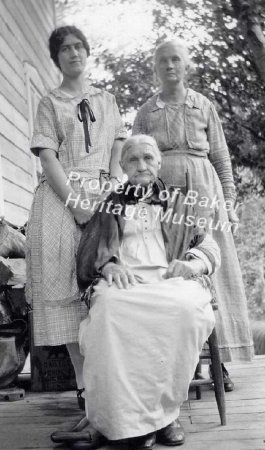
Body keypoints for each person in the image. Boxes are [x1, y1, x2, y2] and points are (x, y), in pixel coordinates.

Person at [77, 135, 220, 449]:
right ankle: (123, 422)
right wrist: (109, 264)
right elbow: (93, 251)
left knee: (185, 309)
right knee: (109, 311)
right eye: (133, 160)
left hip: (169, 283)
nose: (141, 165)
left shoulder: (182, 201)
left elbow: (207, 243)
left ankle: (166, 416)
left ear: (159, 162)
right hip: (126, 285)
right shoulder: (110, 202)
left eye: (147, 158)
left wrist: (194, 263)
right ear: (124, 166)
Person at [132, 39, 253, 387]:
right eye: (162, 62)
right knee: (171, 266)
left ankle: (219, 363)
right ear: (155, 69)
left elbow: (222, 158)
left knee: (210, 266)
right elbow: (137, 157)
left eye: (176, 60)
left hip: (205, 192)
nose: (170, 66)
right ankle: (180, 363)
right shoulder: (146, 111)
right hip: (162, 198)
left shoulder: (204, 105)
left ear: (186, 65)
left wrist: (228, 204)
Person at [25, 25, 127, 409]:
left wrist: (112, 186)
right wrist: (74, 203)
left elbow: (117, 144)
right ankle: (85, 389)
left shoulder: (106, 99)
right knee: (66, 288)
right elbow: (48, 157)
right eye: (64, 49)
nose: (73, 54)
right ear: (56, 59)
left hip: (102, 192)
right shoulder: (50, 103)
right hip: (60, 199)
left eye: (78, 47)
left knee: (108, 280)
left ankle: (112, 384)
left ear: (88, 52)